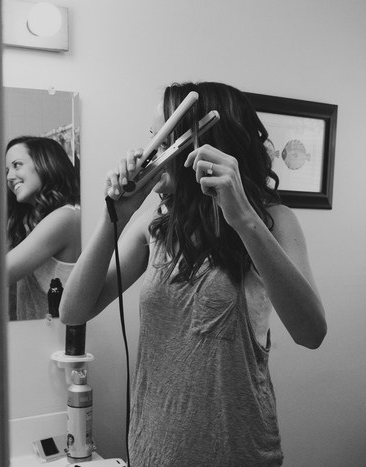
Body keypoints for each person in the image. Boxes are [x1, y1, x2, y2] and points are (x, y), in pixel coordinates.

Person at [60, 82, 326, 466]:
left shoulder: (274, 221)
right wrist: (112, 217)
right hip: (154, 448)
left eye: (162, 139)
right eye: (153, 139)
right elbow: (73, 311)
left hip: (239, 451)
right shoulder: (155, 226)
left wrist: (244, 220)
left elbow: (311, 333)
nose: (149, 154)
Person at [6, 136, 80, 320]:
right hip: (40, 340)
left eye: (17, 165)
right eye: (7, 170)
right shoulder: (35, 222)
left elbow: (1, 274)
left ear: (45, 163)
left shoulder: (65, 217)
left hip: (58, 343)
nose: (9, 177)